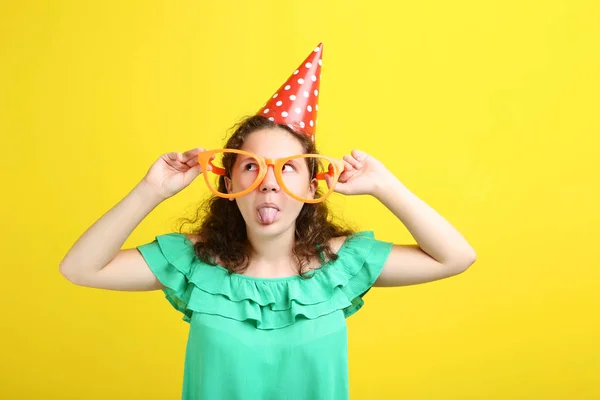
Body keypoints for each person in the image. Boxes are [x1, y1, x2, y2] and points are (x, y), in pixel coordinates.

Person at [59, 44, 476, 400]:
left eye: (288, 169)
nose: (269, 184)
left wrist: (386, 186)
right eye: (252, 168)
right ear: (229, 183)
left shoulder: (342, 266)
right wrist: (152, 188)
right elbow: (80, 268)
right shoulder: (194, 263)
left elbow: (455, 257)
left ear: (313, 187)